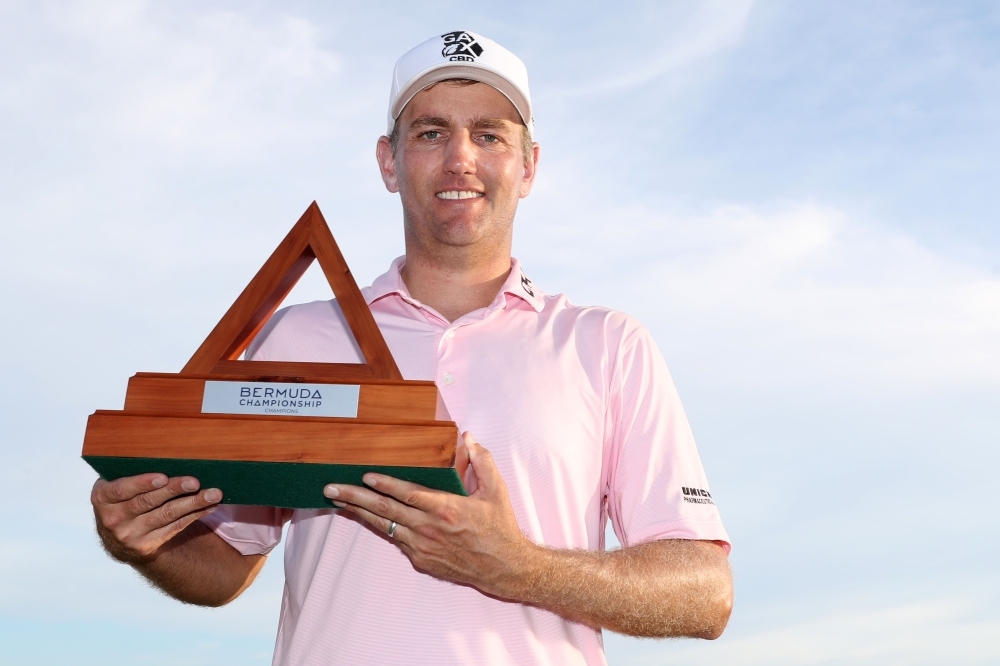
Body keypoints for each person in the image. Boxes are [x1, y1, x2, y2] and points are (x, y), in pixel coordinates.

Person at [91, 31, 733, 665]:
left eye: (489, 135)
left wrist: (518, 568)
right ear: (389, 161)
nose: (461, 158)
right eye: (431, 132)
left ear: (529, 164)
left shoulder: (606, 345)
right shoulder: (296, 336)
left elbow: (705, 594)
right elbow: (226, 567)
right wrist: (144, 539)